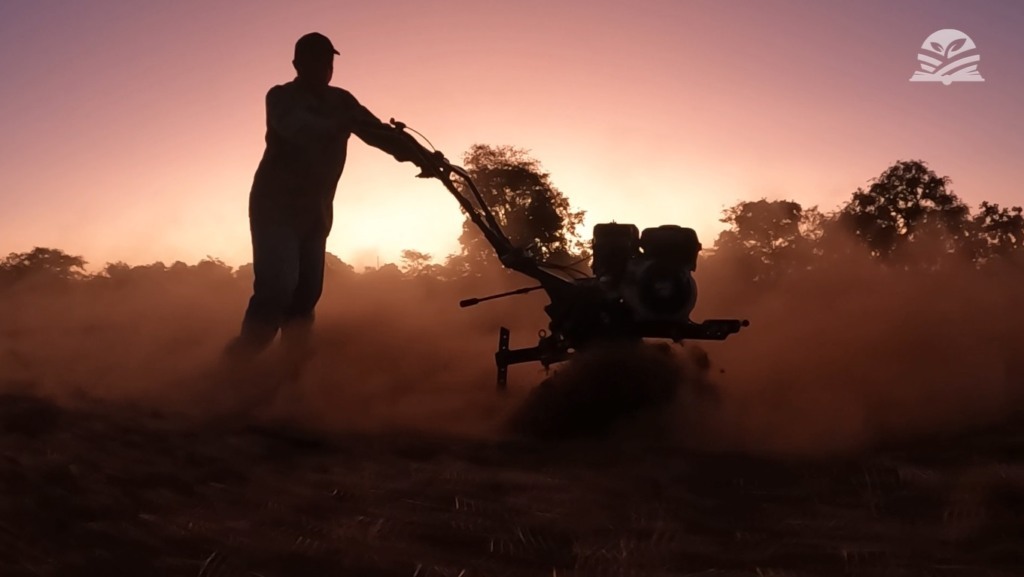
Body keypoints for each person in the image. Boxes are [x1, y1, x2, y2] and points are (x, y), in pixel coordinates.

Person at [224, 32, 435, 367]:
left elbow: (378, 132)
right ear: (297, 64)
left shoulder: (342, 101)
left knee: (307, 296)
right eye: (315, 60)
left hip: (316, 212)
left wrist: (424, 156)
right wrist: (345, 122)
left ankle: (290, 376)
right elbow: (297, 128)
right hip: (274, 208)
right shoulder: (281, 97)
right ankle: (235, 365)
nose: (324, 67)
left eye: (328, 61)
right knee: (277, 288)